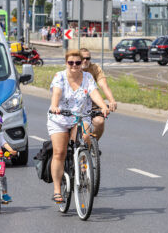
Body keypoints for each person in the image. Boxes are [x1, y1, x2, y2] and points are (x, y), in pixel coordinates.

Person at [47, 50, 109, 203]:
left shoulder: (87, 77)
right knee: (59, 153)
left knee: (86, 136)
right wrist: (54, 106)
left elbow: (94, 93)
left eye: (78, 63)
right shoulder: (59, 76)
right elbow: (57, 93)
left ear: (82, 63)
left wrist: (103, 106)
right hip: (60, 117)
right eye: (71, 63)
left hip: (80, 116)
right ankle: (57, 190)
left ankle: (82, 161)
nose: (74, 65)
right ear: (66, 63)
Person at [80, 48, 117, 140]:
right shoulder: (73, 68)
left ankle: (93, 146)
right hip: (75, 104)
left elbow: (104, 85)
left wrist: (111, 100)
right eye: (82, 58)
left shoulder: (94, 68)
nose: (85, 60)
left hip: (92, 104)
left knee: (100, 122)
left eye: (88, 58)